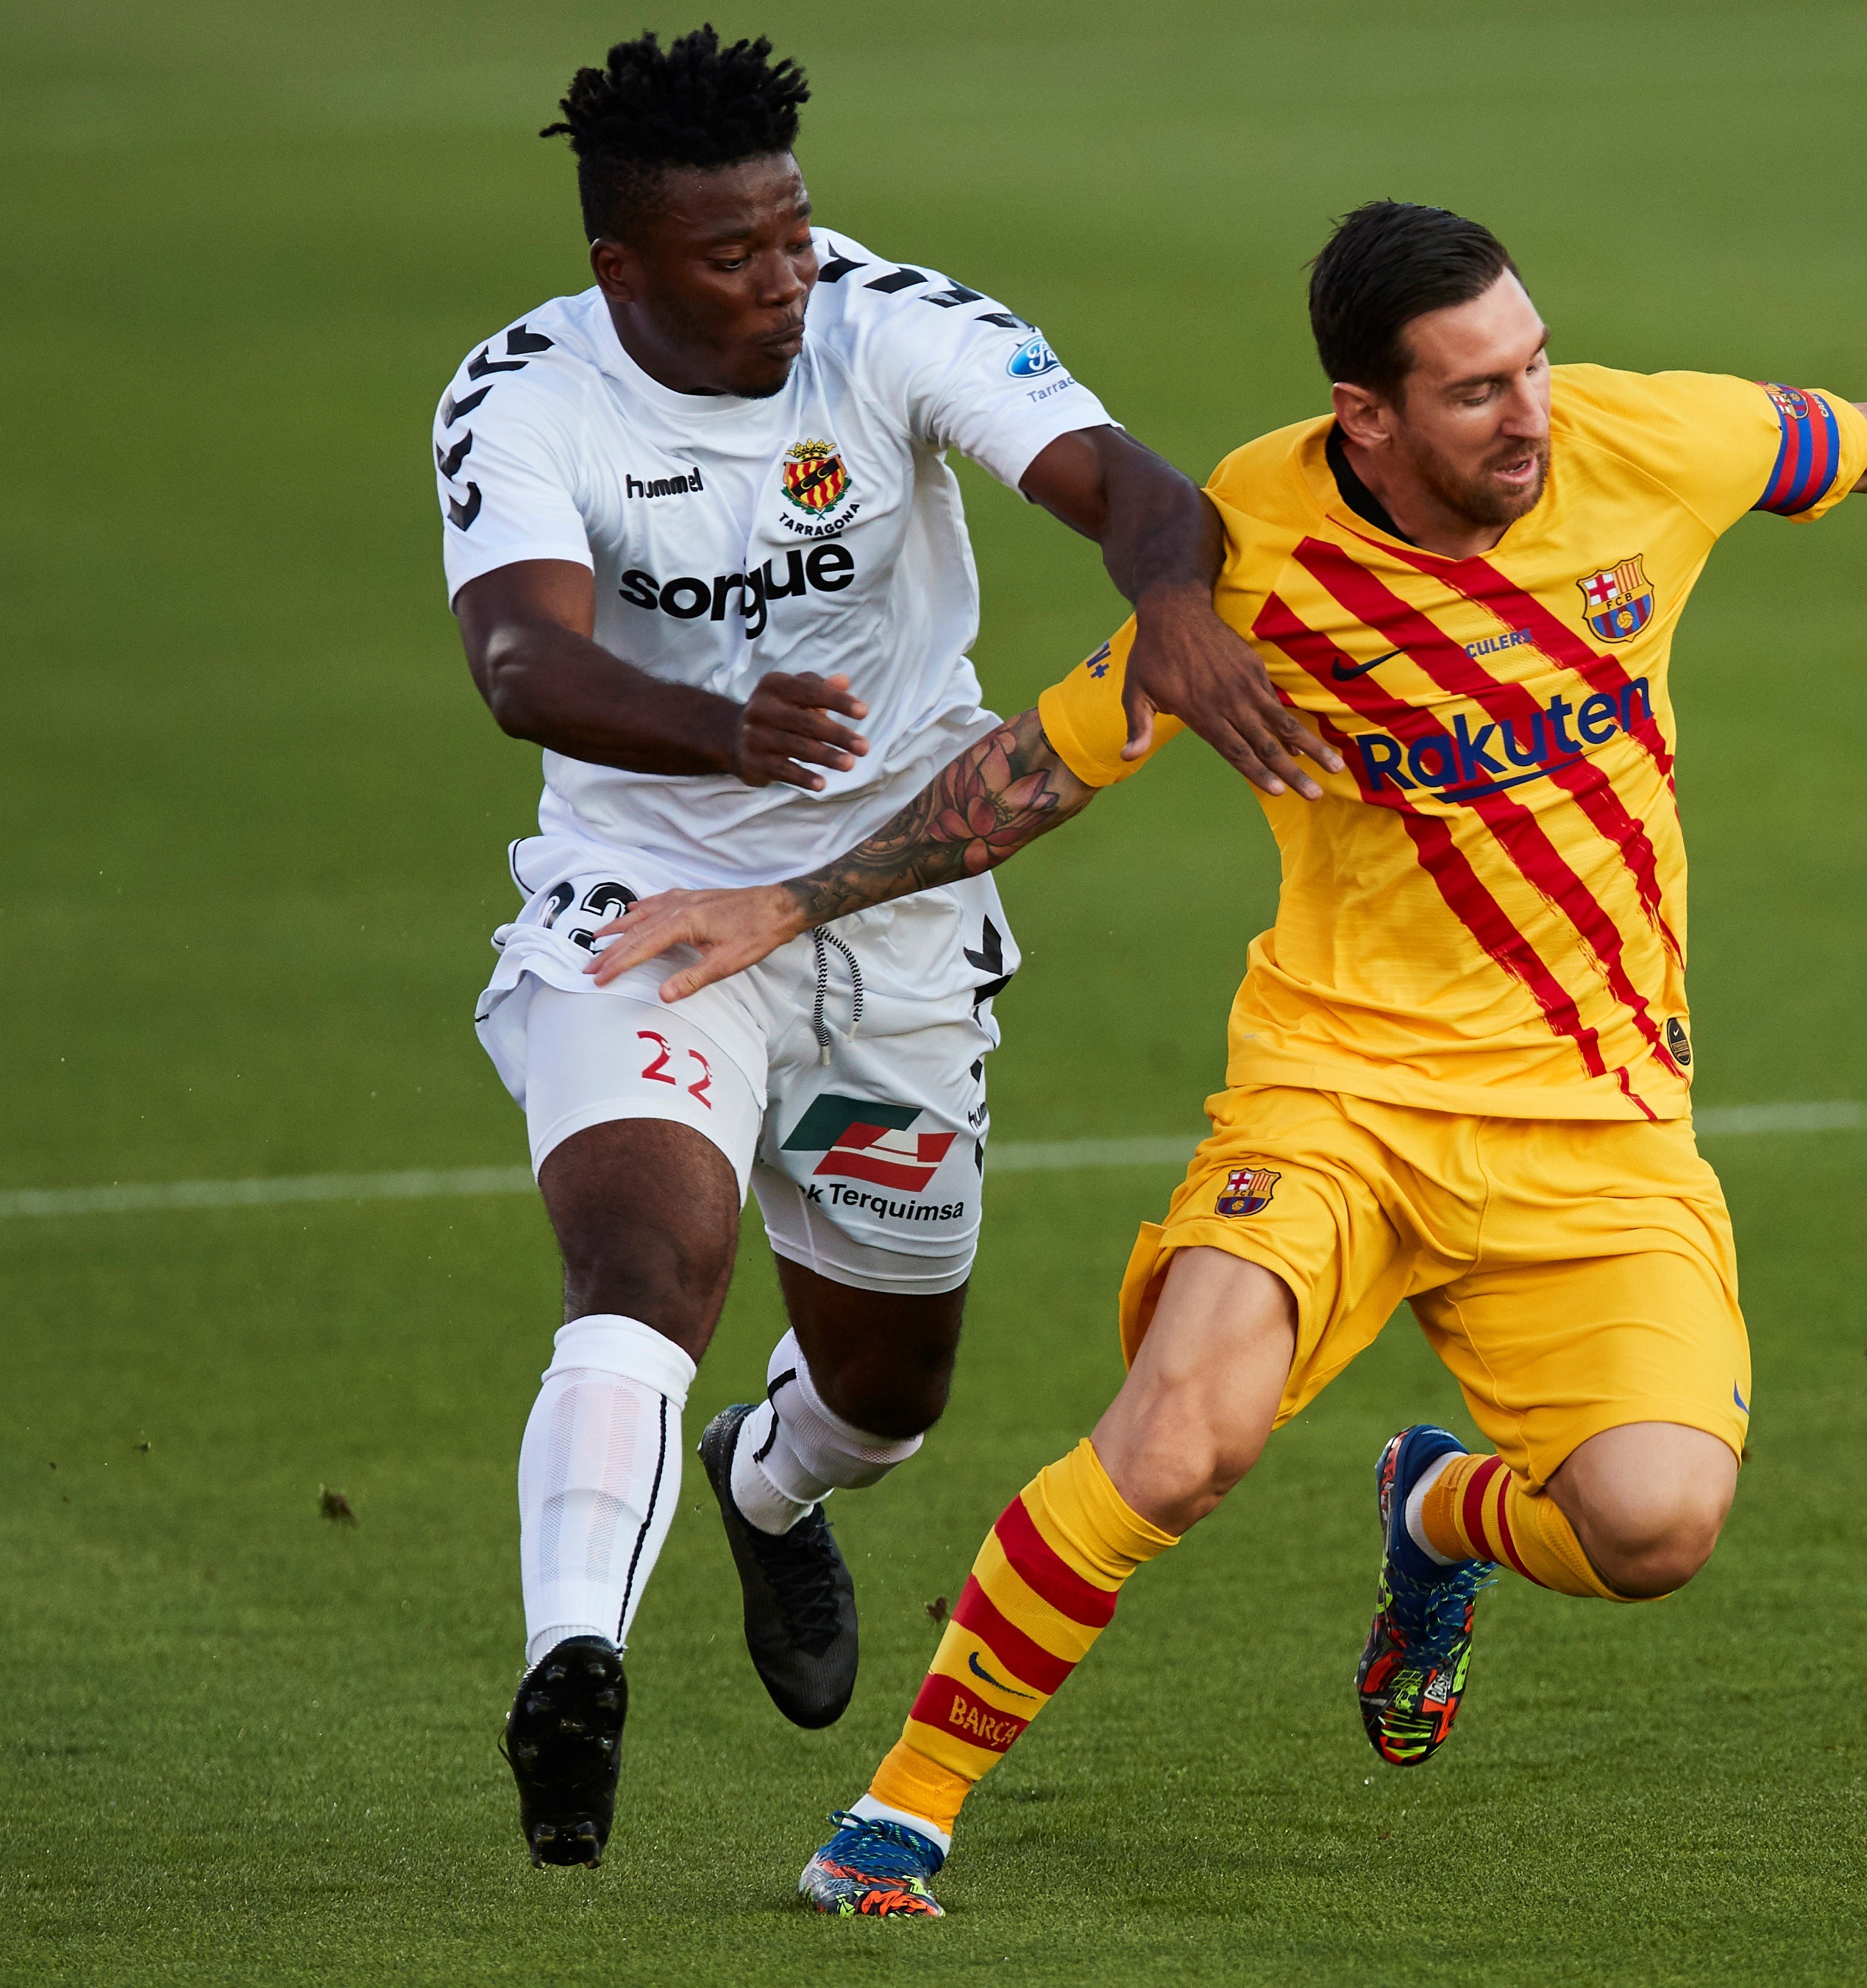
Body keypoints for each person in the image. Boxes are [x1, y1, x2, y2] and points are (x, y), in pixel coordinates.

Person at [586, 199, 1867, 1916]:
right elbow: (1045, 764)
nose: (1529, 414)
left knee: (1656, 1528)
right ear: (1365, 414)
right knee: (1176, 1442)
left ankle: (1437, 1516)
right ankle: (901, 1811)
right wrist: (786, 900)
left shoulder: (1641, 442)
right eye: (1475, 391)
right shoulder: (1250, 543)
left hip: (1598, 1124)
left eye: (1531, 364)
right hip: (1337, 1101)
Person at [435, 26, 1331, 1870]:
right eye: (732, 255)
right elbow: (520, 661)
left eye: (792, 230)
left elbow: (1136, 486)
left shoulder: (888, 319)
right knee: (641, 1268)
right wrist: (724, 730)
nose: (785, 275)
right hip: (648, 905)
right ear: (622, 266)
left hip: (900, 905)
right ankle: (572, 1660)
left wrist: (1170, 602)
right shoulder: (522, 393)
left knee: (888, 1391)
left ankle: (768, 1488)